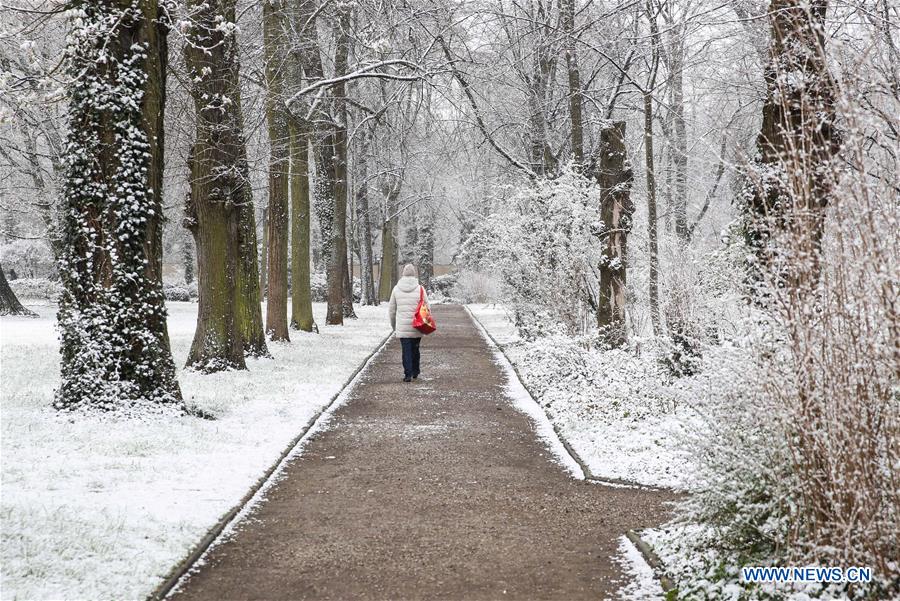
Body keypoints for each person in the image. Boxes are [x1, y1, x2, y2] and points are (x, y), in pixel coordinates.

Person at [389, 264, 430, 382]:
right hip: (417, 325)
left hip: (402, 326)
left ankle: (407, 374)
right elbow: (427, 306)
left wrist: (394, 325)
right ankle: (415, 371)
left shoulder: (396, 289)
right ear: (414, 275)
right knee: (415, 349)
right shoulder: (420, 289)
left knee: (405, 350)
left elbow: (392, 310)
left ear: (403, 274)